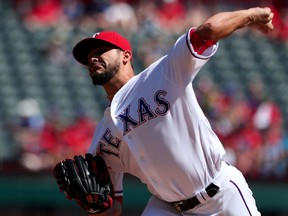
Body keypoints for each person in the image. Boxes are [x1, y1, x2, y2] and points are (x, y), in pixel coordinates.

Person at [72, 6, 274, 216]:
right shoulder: (102, 138)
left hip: (221, 195)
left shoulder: (164, 73)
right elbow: (113, 208)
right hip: (168, 207)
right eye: (89, 58)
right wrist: (94, 205)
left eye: (100, 52)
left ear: (126, 56)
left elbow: (210, 29)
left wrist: (251, 15)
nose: (92, 59)